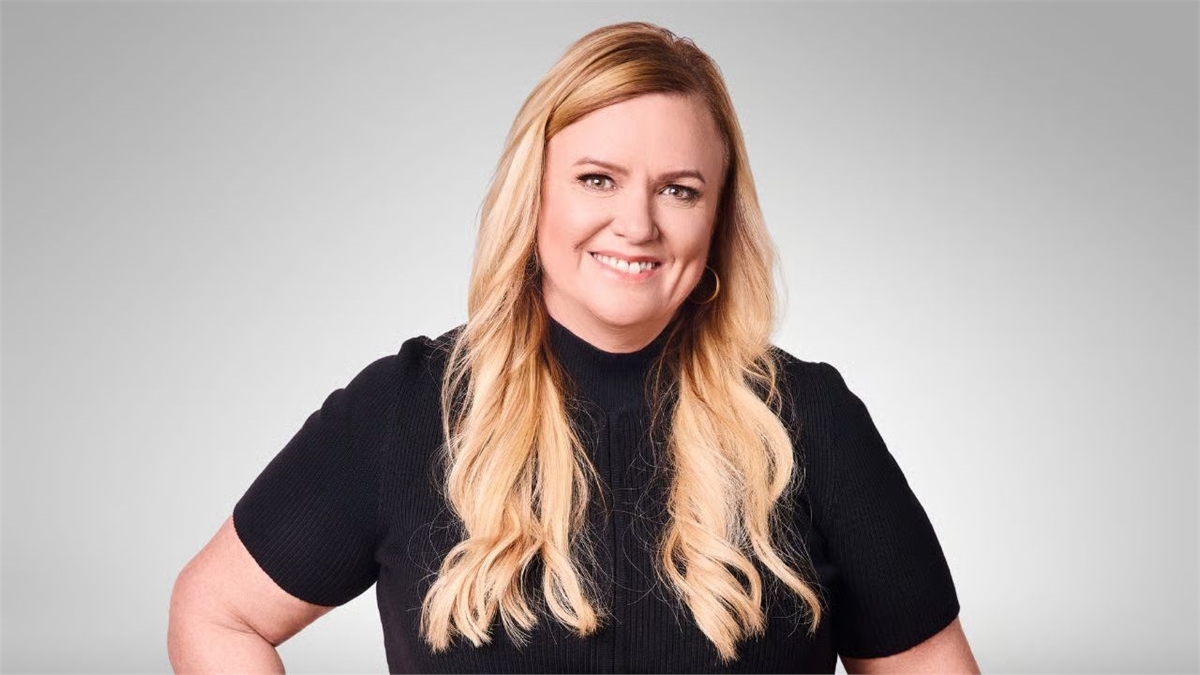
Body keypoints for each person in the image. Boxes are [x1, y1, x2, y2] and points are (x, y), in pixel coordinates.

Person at [168, 20, 980, 674]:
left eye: (679, 190)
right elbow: (216, 613)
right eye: (598, 179)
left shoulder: (808, 422)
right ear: (536, 193)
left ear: (717, 220)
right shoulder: (405, 409)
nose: (638, 223)